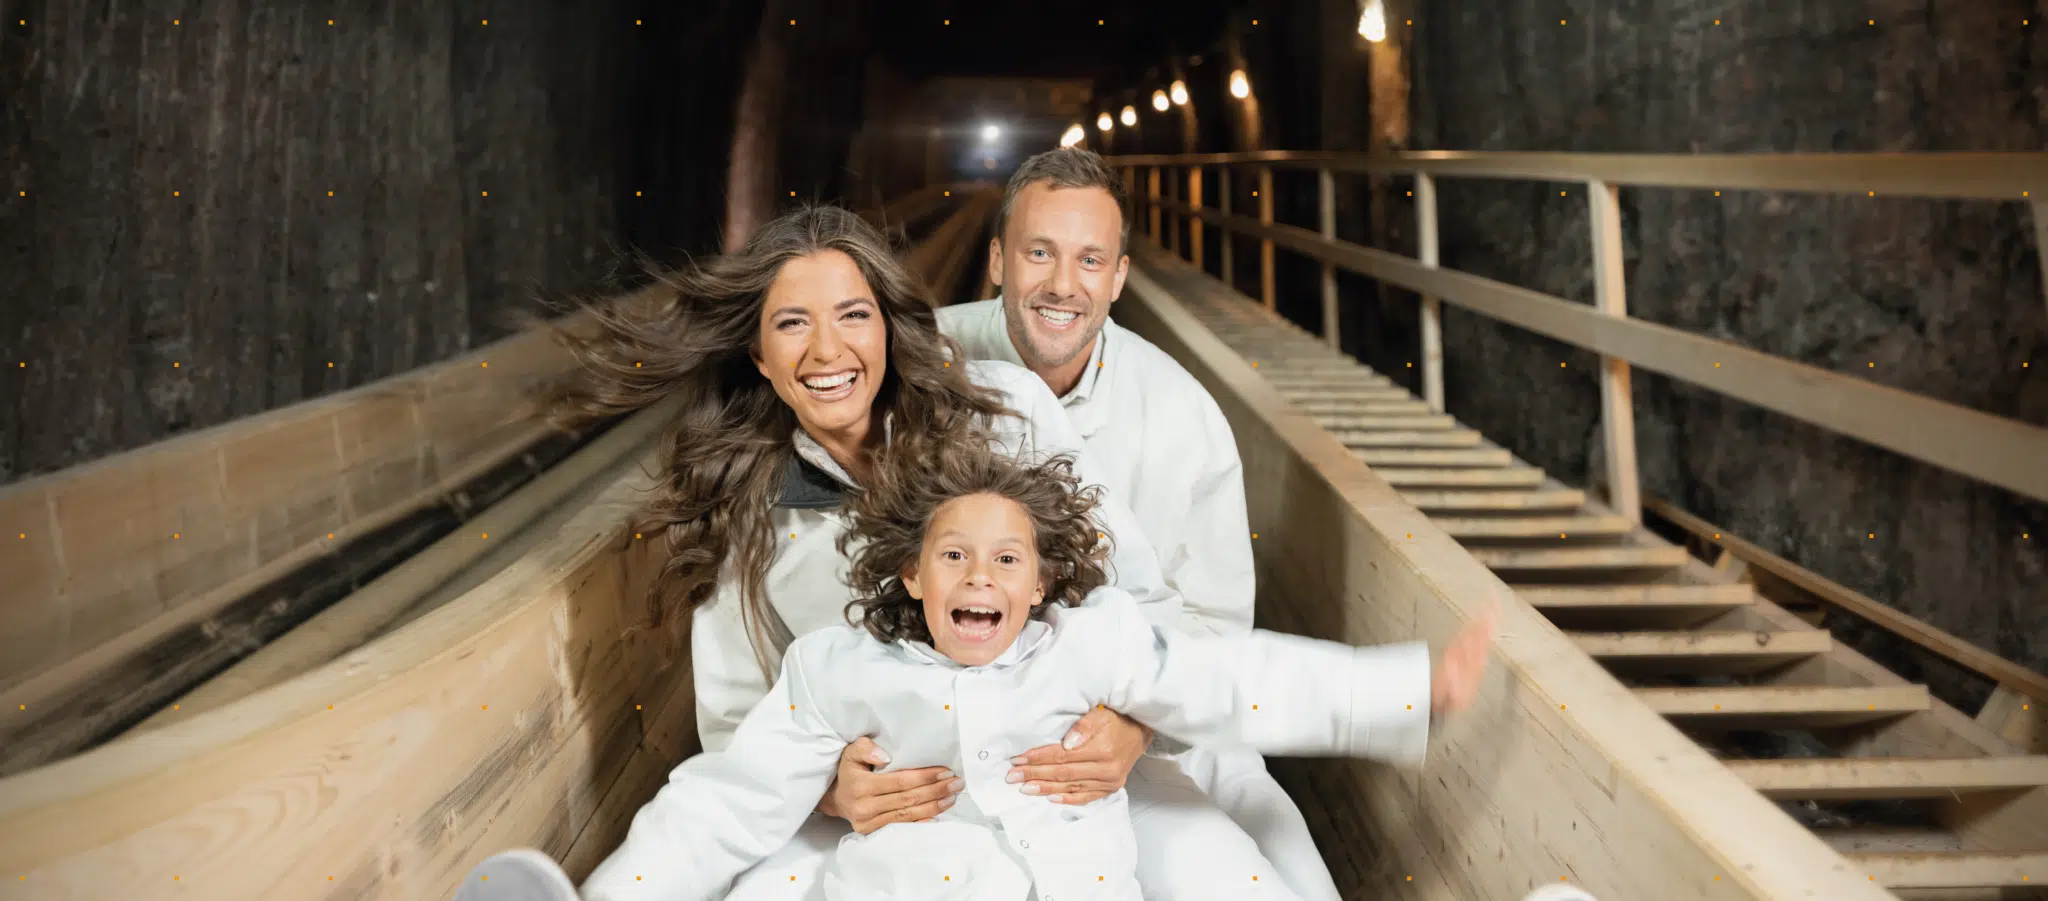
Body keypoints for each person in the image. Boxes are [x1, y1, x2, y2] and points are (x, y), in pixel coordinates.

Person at [516, 204, 1310, 899]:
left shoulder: (1009, 414)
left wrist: (1131, 725)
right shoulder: (751, 511)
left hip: (1070, 770)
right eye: (793, 323)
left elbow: (1144, 602)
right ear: (759, 355)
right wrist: (832, 791)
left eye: (853, 315)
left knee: (1232, 876)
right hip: (896, 805)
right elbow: (737, 726)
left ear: (889, 328)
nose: (827, 350)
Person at [462, 449, 1495, 901]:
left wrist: (1407, 688)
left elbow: (1233, 684)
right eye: (953, 555)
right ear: (910, 574)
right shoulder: (839, 667)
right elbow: (723, 801)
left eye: (1007, 560)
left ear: (1045, 582)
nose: (979, 576)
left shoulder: (1092, 644)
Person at [934, 147, 1344, 900]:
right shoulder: (922, 367)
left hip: (1153, 724)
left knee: (1294, 871)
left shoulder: (1183, 416)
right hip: (968, 725)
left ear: (1119, 278)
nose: (1063, 284)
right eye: (1038, 253)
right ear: (996, 260)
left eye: (1091, 259)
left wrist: (1140, 724)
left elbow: (1215, 625)